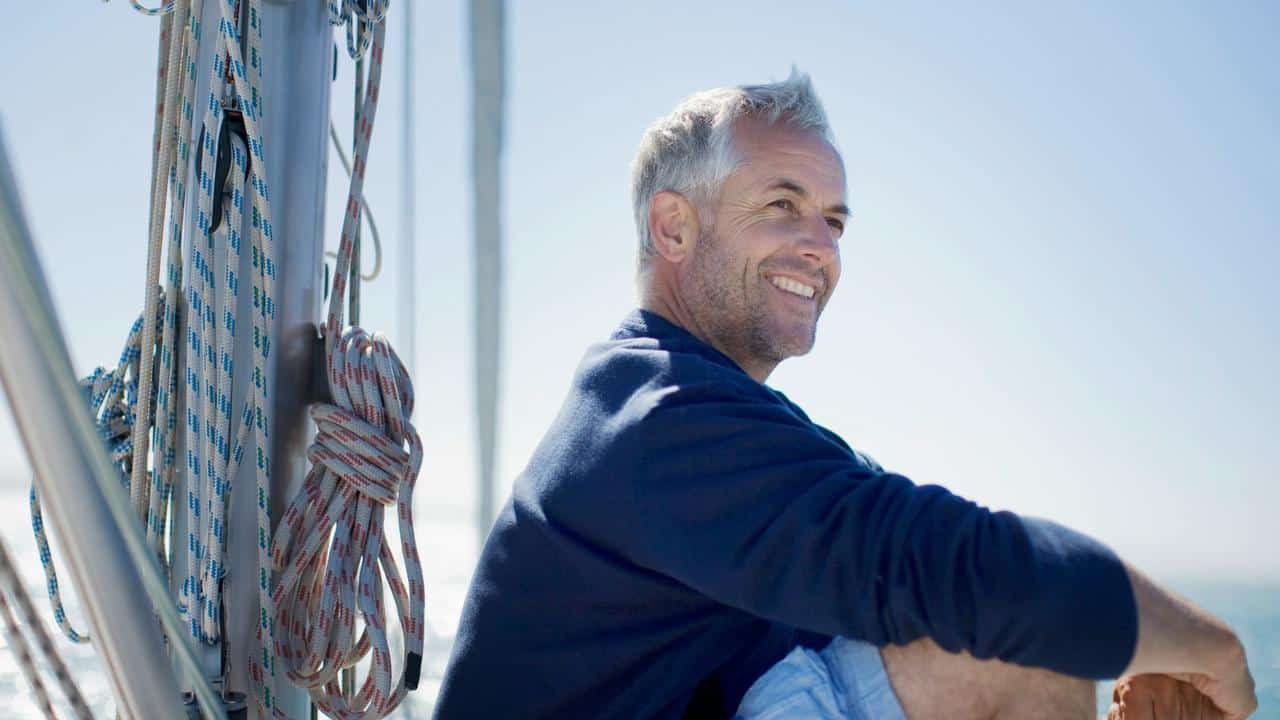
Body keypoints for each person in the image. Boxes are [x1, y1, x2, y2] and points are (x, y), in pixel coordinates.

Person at [434, 70, 1257, 719]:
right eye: (783, 205)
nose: (819, 246)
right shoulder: (658, 420)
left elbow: (893, 568)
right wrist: (1207, 648)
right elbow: (949, 568)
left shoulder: (719, 416)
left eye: (834, 220)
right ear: (674, 228)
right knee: (1019, 645)